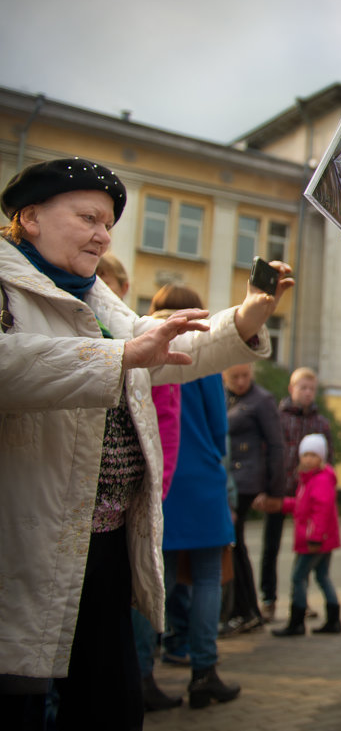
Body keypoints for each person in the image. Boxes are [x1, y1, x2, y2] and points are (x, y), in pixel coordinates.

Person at [0, 157, 290, 730]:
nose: (102, 234)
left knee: (109, 702)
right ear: (29, 217)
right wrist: (121, 355)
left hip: (102, 540)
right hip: (26, 540)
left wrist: (247, 317)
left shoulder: (99, 300)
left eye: (107, 223)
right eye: (87, 217)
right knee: (22, 696)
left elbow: (168, 352)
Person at [97, 256, 185, 710]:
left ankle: (147, 668)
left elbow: (167, 422)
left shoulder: (144, 339)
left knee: (140, 591)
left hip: (131, 504)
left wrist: (160, 484)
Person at [152, 285, 242, 709]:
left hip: (157, 478)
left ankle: (139, 675)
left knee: (153, 583)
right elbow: (217, 425)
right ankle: (203, 672)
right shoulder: (201, 356)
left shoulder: (139, 345)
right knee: (207, 578)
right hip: (203, 479)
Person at [221, 362, 285, 634]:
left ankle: (244, 610)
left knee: (233, 539)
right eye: (234, 376)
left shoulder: (261, 400)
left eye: (245, 375)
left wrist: (274, 490)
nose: (240, 381)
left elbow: (276, 445)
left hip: (247, 480)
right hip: (227, 477)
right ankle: (244, 609)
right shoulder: (225, 397)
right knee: (234, 542)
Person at [266, 367, 333, 622]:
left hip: (310, 495)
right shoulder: (278, 418)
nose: (307, 393)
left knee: (306, 548)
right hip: (280, 490)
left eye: (311, 389)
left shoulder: (320, 422)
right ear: (291, 389)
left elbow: (329, 460)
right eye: (302, 388)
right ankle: (268, 599)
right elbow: (269, 452)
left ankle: (300, 600)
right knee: (271, 546)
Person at [269, 434, 341, 636]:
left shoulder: (321, 480)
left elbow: (322, 510)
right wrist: (282, 504)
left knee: (298, 577)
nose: (308, 459)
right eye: (305, 455)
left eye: (313, 455)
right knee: (322, 576)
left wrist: (315, 537)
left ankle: (297, 621)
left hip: (314, 541)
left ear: (322, 457)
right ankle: (333, 619)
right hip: (320, 539)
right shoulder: (309, 479)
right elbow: (303, 506)